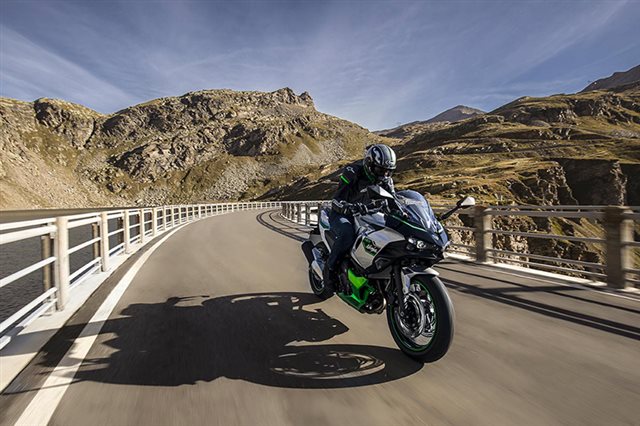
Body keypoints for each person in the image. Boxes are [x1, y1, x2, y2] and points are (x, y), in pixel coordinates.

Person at [323, 143, 397, 294]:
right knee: (347, 233)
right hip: (343, 214)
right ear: (369, 164)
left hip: (368, 215)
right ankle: (329, 270)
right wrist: (347, 207)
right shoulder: (353, 172)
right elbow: (336, 199)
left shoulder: (386, 180)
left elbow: (394, 201)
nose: (384, 175)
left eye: (388, 171)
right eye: (380, 170)